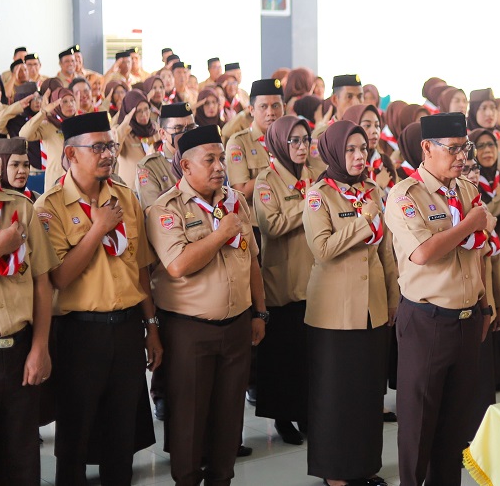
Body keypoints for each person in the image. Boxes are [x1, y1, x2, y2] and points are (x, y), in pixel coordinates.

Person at [36, 111, 161, 486]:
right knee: (73, 438)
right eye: (98, 148)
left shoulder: (125, 197)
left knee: (121, 436)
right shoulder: (51, 206)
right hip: (79, 334)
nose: (108, 154)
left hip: (125, 330)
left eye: (111, 145)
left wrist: (151, 326)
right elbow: (59, 276)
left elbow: (140, 268)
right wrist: (98, 229)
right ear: (71, 155)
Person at [146, 125, 267, 486]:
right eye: (209, 159)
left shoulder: (234, 201)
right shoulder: (166, 209)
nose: (219, 167)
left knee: (229, 418)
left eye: (220, 158)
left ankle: (221, 479)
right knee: (189, 418)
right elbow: (178, 265)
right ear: (185, 166)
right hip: (189, 329)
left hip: (237, 325)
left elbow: (253, 262)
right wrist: (220, 234)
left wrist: (259, 312)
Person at [385, 112, 494, 486]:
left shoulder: (464, 190)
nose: (461, 157)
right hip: (427, 322)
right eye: (453, 149)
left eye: (465, 148)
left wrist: (484, 305)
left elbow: (479, 251)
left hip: (466, 320)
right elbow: (423, 253)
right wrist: (468, 225)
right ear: (427, 148)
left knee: (453, 428)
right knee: (418, 426)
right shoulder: (405, 194)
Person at [0, 116, 58, 486]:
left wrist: (39, 348)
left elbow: (42, 282)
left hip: (19, 352)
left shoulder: (20, 208)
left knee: (21, 462)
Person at [303, 120, 397, 486]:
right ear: (333, 153)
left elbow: (385, 251)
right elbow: (322, 249)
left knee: (368, 391)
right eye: (350, 150)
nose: (359, 157)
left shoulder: (373, 190)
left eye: (363, 149)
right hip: (333, 311)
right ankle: (335, 473)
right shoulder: (318, 195)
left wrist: (393, 299)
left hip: (371, 308)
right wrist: (364, 220)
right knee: (335, 394)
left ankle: (365, 465)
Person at [250, 116, 315, 445]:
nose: (302, 147)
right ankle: (282, 417)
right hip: (283, 281)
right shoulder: (266, 181)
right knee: (283, 355)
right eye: (295, 141)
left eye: (306, 139)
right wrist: (310, 203)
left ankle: (305, 412)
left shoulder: (313, 176)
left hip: (314, 278)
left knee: (308, 354)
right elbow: (272, 225)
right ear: (278, 144)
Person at [469, 127, 500, 391]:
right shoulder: (470, 183)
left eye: (491, 145)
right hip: (484, 255)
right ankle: (488, 373)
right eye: (481, 146)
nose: (487, 151)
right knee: (489, 311)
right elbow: (487, 215)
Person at [226, 78, 284, 205]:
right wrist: (277, 169)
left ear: (284, 108)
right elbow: (241, 192)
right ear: (251, 109)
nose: (271, 113)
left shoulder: (292, 140)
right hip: (256, 221)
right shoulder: (239, 143)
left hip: (291, 216)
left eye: (276, 106)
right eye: (263, 106)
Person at [136, 103, 194, 211]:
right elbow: (152, 212)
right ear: (163, 134)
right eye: (178, 128)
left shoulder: (202, 160)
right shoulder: (150, 167)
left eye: (191, 127)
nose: (186, 134)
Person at [20, 87, 78, 189]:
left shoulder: (81, 124)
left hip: (78, 180)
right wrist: (43, 112)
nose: (70, 104)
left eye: (72, 100)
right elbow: (24, 135)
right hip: (56, 182)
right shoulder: (49, 125)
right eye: (64, 101)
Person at [343, 104, 397, 196]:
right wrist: (378, 187)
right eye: (367, 125)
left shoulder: (385, 161)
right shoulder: (345, 163)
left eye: (377, 125)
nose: (374, 130)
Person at [114, 89, 159, 194]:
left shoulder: (154, 128)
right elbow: (114, 152)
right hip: (130, 192)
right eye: (138, 111)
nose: (144, 114)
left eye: (146, 109)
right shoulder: (122, 132)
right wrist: (124, 126)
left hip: (153, 190)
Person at [0, 82, 44, 170]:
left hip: (49, 168)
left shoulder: (43, 117)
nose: (38, 101)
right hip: (26, 168)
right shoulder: (14, 121)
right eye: (33, 99)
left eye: (39, 98)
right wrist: (18, 106)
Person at [467, 88, 500, 181]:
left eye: (493, 108)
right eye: (484, 108)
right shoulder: (464, 142)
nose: (489, 113)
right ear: (474, 111)